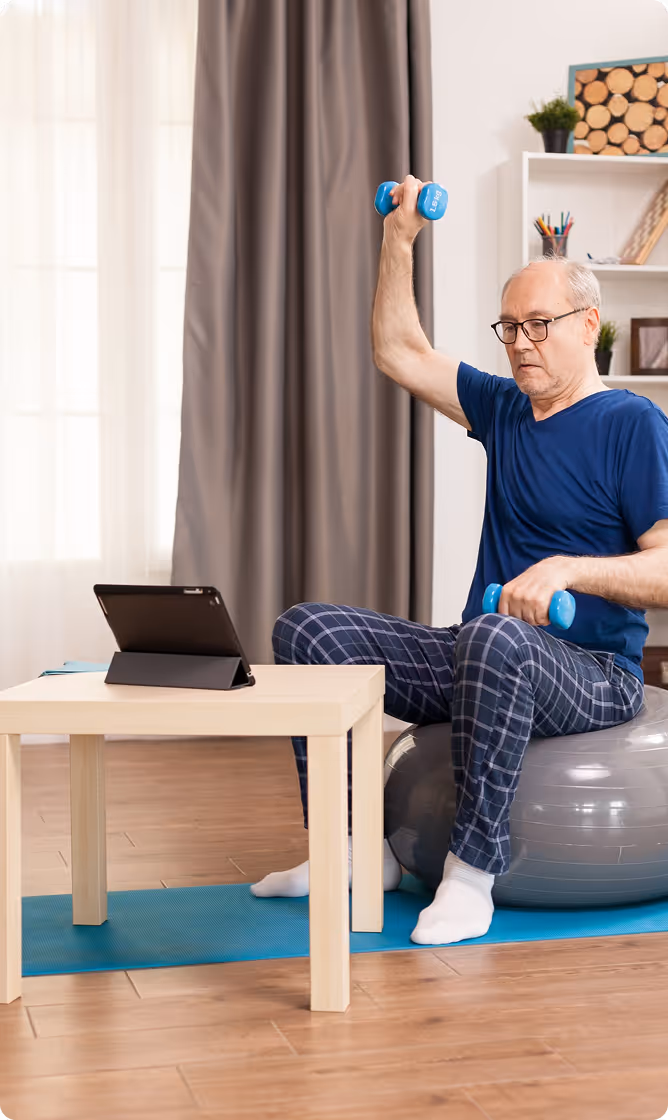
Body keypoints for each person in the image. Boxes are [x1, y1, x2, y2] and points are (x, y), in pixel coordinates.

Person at [251, 174, 668, 946]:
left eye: (538, 325)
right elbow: (398, 351)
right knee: (308, 631)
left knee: (493, 633)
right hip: (486, 652)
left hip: (595, 676)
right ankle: (351, 852)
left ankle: (472, 875)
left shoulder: (632, 424)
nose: (520, 345)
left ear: (590, 325)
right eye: (508, 329)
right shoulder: (506, 406)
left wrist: (571, 570)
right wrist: (399, 238)